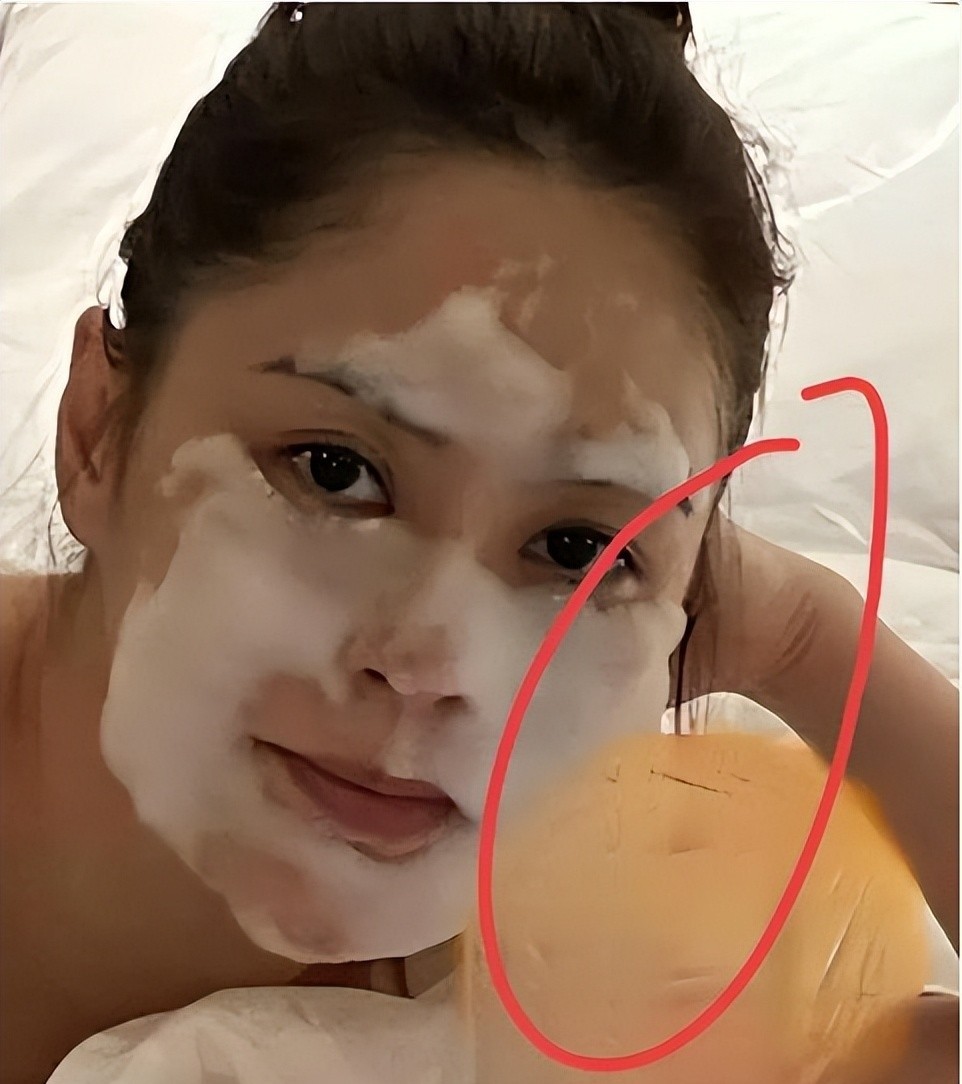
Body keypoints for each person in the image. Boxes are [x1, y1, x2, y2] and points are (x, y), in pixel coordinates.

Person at [0, 4, 956, 1082]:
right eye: (334, 471)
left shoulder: (578, 980)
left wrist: (798, 635)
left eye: (573, 547)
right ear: (96, 431)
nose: (430, 662)